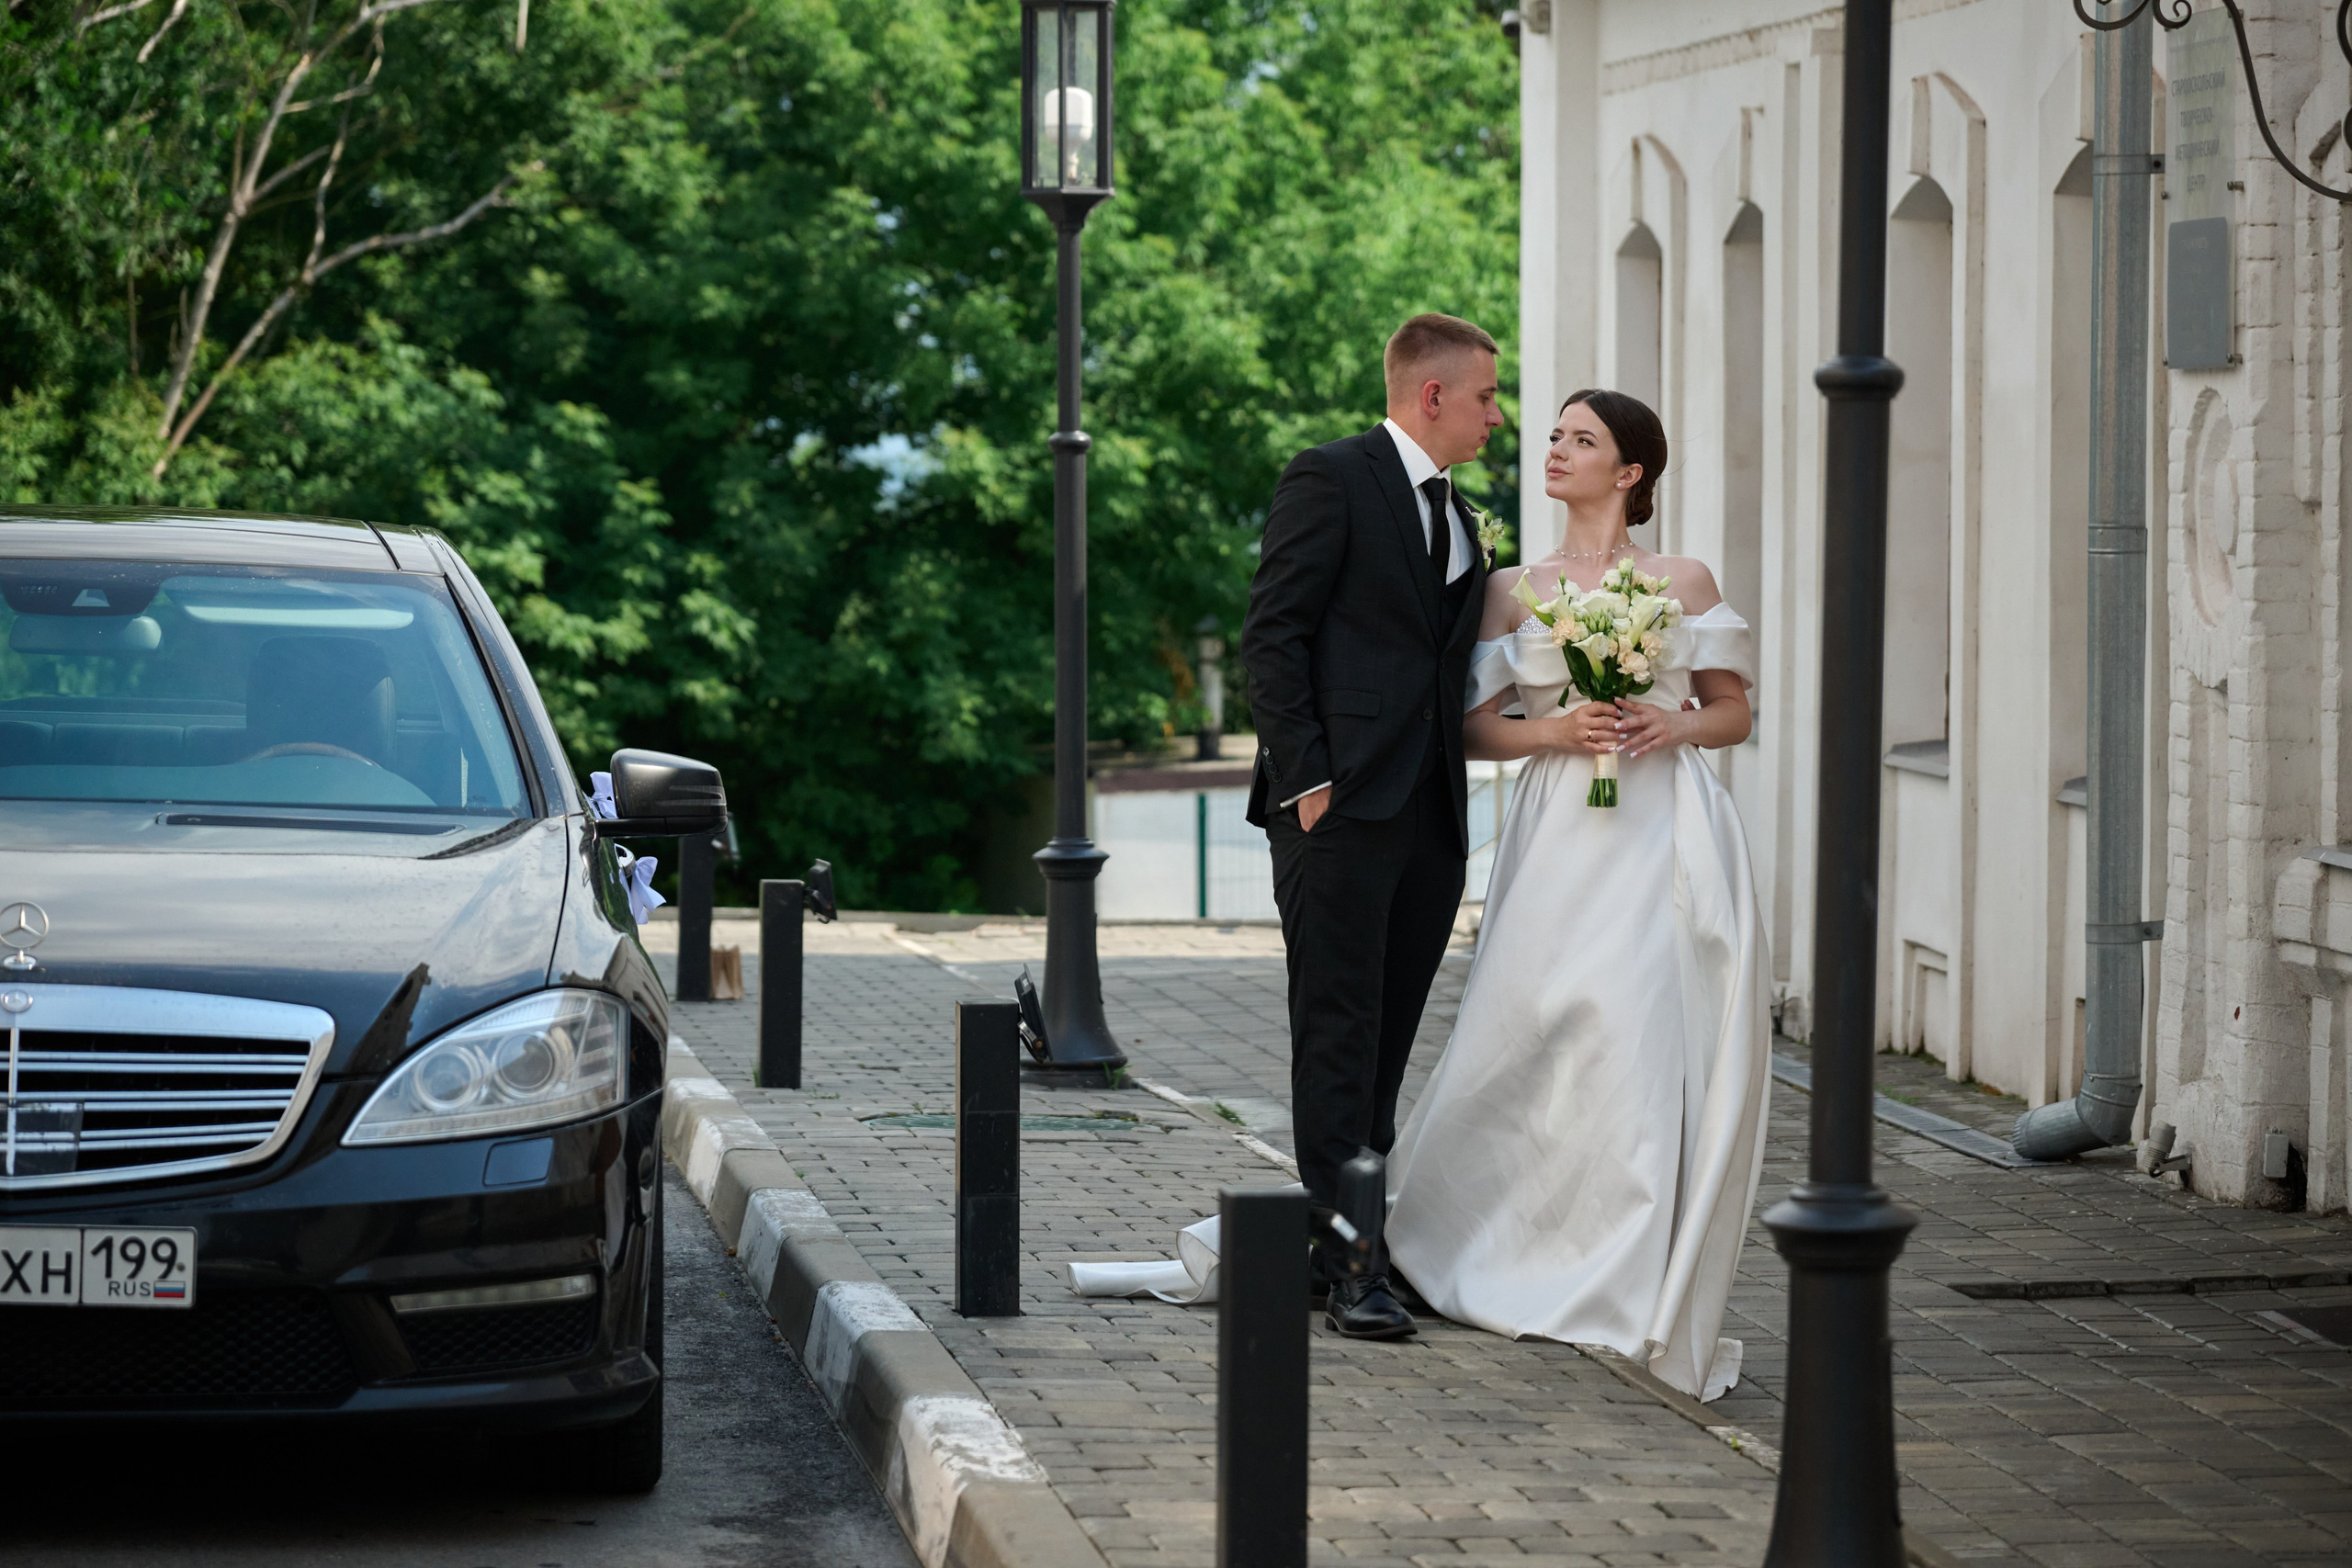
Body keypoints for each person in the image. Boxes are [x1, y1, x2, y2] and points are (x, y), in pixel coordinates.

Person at [1383, 389, 1771, 1401]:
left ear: (1631, 472)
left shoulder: (1680, 579)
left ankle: (1624, 1279)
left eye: (1580, 440)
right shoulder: (1513, 586)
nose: (1554, 450)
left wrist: (1667, 726)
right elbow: (1468, 727)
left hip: (1663, 832)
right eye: (1553, 436)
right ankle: (1490, 1238)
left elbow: (1731, 713)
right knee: (1536, 1026)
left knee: (1636, 1037)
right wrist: (1554, 731)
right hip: (1559, 827)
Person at [1239, 312, 1502, 1340]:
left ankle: (1331, 1236)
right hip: (1338, 811)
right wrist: (1309, 780)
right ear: (1430, 395)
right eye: (1484, 395)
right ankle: (1355, 1265)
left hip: (1432, 818)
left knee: (1387, 1041)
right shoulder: (1331, 476)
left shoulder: (1465, 518)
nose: (1495, 413)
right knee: (1338, 1030)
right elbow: (1275, 631)